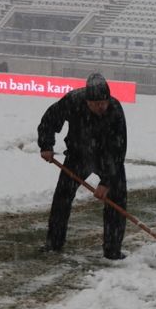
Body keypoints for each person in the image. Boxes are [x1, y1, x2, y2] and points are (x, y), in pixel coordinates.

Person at [38, 72, 128, 259]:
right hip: (78, 156)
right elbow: (50, 119)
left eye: (103, 102)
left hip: (107, 159)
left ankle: (112, 250)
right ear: (86, 100)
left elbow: (118, 149)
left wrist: (106, 182)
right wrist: (46, 145)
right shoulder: (73, 100)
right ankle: (54, 243)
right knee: (62, 198)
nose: (100, 107)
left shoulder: (115, 110)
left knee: (117, 200)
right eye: (95, 104)